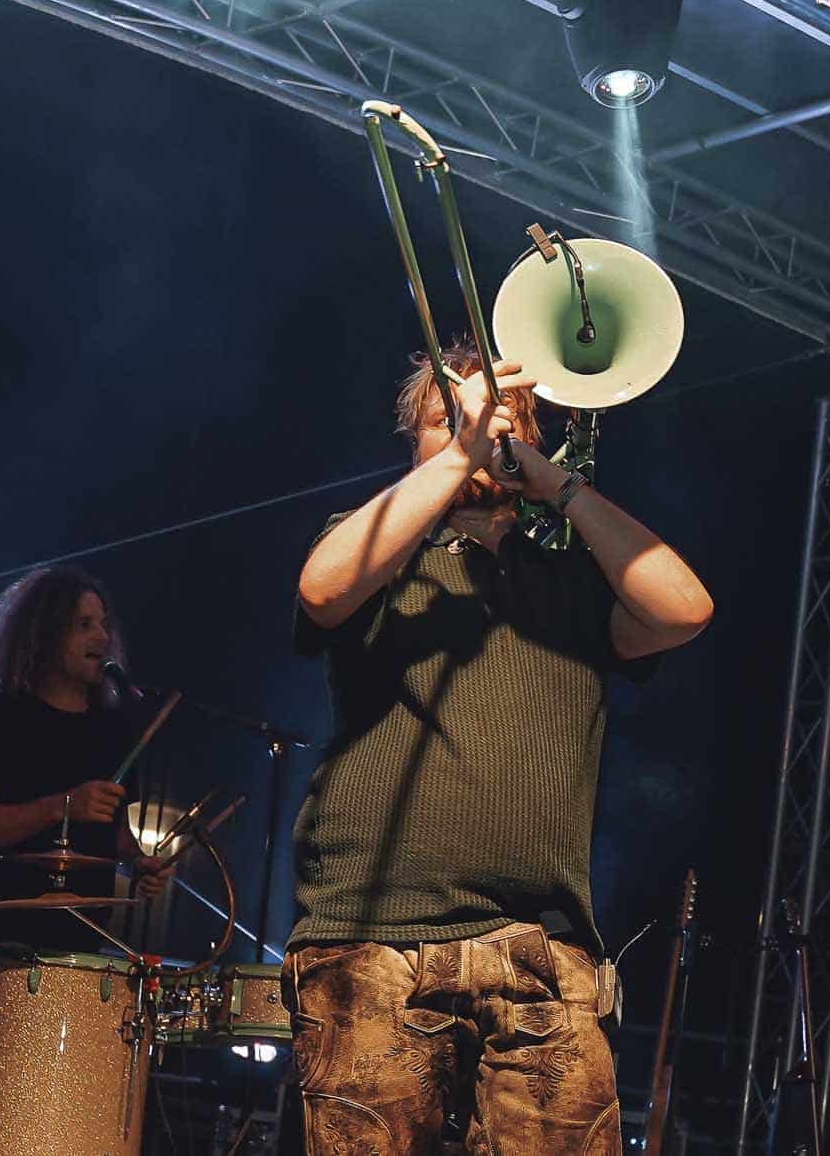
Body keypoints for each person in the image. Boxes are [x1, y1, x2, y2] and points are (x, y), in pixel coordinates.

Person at [282, 342, 712, 1153]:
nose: (476, 428)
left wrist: (557, 483)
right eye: (444, 418)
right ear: (414, 444)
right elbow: (321, 588)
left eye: (497, 417)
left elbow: (684, 609)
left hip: (543, 948)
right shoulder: (377, 549)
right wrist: (460, 454)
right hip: (376, 934)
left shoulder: (574, 576)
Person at [0, 565, 173, 1152]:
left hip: (82, 952)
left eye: (103, 624)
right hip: (2, 952)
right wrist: (63, 806)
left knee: (64, 1122)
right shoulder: (2, 721)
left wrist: (137, 862)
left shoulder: (113, 731)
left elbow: (111, 833)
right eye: (84, 625)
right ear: (45, 633)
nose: (101, 637)